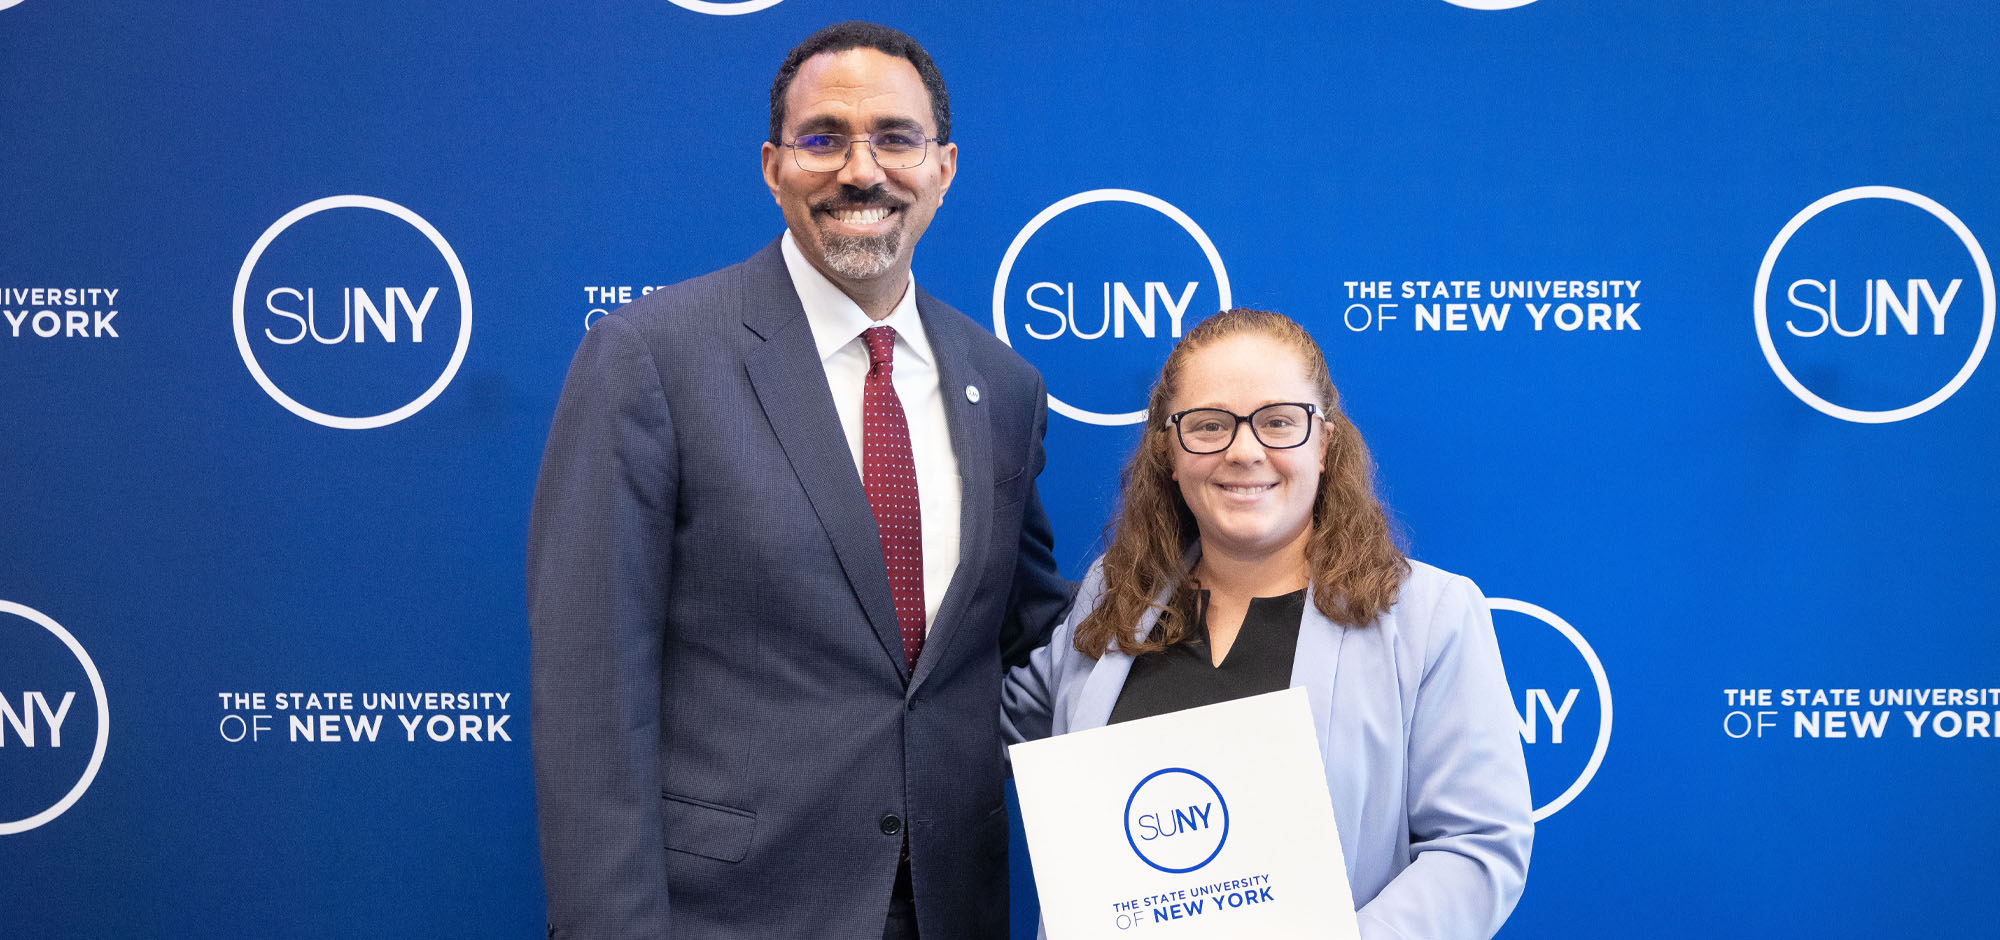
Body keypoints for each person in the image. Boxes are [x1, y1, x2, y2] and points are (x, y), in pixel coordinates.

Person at [529, 21, 1070, 940]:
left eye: (895, 138)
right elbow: (589, 694)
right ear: (774, 166)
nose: (862, 171)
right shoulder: (652, 357)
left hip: (950, 908)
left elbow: (1030, 639)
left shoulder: (1003, 386)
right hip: (731, 915)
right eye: (825, 138)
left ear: (944, 168)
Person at [1003, 309, 1532, 940]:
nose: (1245, 451)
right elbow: (968, 732)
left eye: (1279, 422)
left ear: (1325, 445)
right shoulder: (1111, 601)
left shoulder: (1428, 616)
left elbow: (1475, 848)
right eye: (1208, 426)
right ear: (1170, 453)